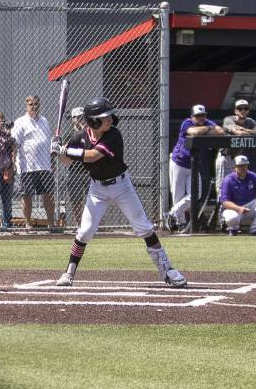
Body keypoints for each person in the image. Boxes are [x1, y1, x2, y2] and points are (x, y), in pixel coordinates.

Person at [51, 97, 186, 288]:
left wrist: (66, 150)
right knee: (85, 232)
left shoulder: (114, 135)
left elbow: (92, 156)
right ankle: (69, 273)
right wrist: (59, 151)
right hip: (97, 189)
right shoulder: (80, 137)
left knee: (144, 228)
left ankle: (168, 270)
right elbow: (67, 161)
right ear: (93, 121)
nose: (110, 119)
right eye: (104, 117)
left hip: (122, 187)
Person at [165, 104, 224, 231]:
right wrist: (208, 129)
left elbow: (221, 131)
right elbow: (193, 131)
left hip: (193, 165)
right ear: (192, 116)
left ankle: (172, 213)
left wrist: (206, 127)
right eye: (197, 116)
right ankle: (180, 223)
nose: (201, 118)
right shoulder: (186, 123)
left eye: (203, 115)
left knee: (195, 194)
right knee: (177, 196)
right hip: (178, 163)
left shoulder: (207, 122)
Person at [11, 95, 56, 231]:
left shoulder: (44, 121)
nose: (34, 107)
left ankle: (51, 224)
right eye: (31, 104)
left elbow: (48, 143)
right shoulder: (21, 122)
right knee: (27, 196)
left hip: (45, 165)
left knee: (48, 195)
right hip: (27, 166)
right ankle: (28, 223)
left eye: (36, 104)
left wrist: (51, 162)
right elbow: (14, 144)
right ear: (26, 106)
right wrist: (13, 162)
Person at [216, 99, 256, 194]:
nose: (243, 111)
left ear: (248, 110)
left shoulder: (250, 121)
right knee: (223, 186)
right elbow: (239, 133)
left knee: (236, 187)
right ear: (235, 111)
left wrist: (248, 130)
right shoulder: (228, 119)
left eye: (245, 108)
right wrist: (248, 131)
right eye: (240, 108)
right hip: (226, 157)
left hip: (238, 159)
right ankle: (222, 208)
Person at [219, 155, 256, 236]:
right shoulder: (228, 180)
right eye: (240, 166)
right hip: (234, 209)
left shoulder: (252, 176)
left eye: (245, 165)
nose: (243, 168)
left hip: (249, 209)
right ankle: (233, 229)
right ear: (235, 167)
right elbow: (225, 202)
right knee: (232, 217)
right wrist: (239, 208)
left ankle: (255, 229)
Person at [62, 106, 89, 228]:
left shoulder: (91, 133)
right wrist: (60, 151)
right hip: (75, 172)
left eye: (82, 117)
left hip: (91, 171)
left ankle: (97, 226)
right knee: (77, 202)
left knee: (94, 201)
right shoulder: (69, 136)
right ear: (73, 119)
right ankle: (80, 226)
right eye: (77, 117)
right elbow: (67, 161)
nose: (81, 120)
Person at [0, 112, 16, 230]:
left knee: (7, 201)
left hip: (7, 170)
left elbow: (14, 146)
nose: (0, 124)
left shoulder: (8, 135)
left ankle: (7, 224)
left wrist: (8, 132)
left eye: (1, 122)